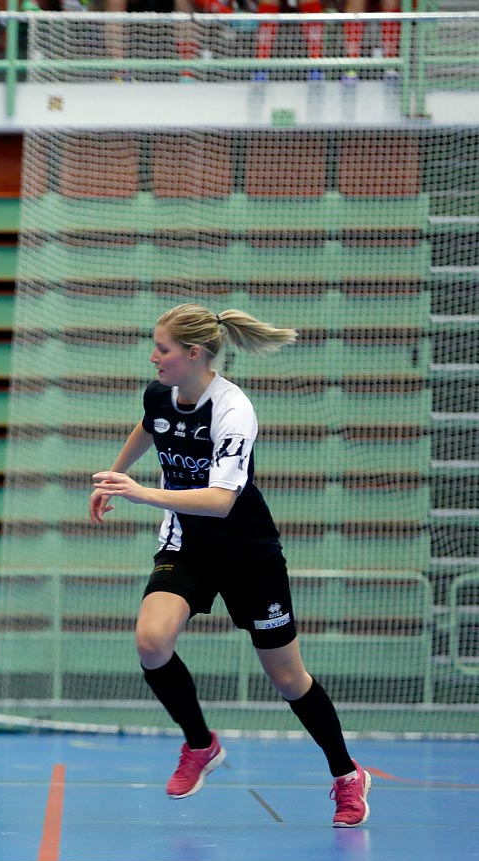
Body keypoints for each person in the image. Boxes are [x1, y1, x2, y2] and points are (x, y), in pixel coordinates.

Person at [89, 304, 371, 827]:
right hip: (187, 545)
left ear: (194, 354)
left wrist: (142, 492)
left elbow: (221, 499)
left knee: (288, 679)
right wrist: (115, 473)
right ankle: (201, 745)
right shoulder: (160, 394)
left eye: (163, 349)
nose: (154, 357)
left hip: (247, 554)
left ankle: (346, 775)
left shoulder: (233, 410)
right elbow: (151, 425)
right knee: (152, 643)